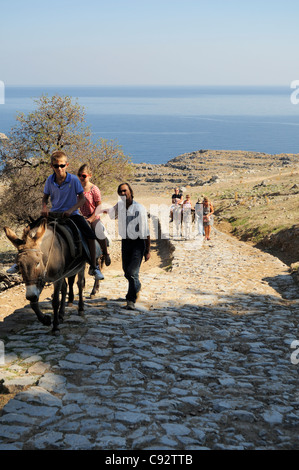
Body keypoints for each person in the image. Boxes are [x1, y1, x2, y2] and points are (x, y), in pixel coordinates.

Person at [6, 150, 105, 281]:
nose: (59, 168)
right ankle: (17, 263)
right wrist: (44, 207)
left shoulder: (74, 180)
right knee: (28, 231)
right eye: (56, 166)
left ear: (67, 165)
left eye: (62, 165)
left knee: (90, 235)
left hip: (71, 215)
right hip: (54, 214)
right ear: (51, 166)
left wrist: (71, 210)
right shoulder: (49, 180)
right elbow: (45, 198)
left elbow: (82, 199)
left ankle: (94, 266)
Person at [103, 182, 150, 310]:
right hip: (126, 242)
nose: (123, 193)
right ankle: (137, 286)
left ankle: (130, 299)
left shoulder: (139, 209)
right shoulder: (120, 206)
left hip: (138, 243)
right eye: (120, 191)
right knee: (126, 272)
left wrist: (148, 250)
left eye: (125, 191)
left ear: (130, 192)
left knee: (132, 272)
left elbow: (146, 231)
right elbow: (112, 215)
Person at [77, 163, 111, 267]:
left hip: (94, 215)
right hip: (82, 216)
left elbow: (99, 206)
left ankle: (105, 253)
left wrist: (91, 218)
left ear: (89, 175)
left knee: (98, 230)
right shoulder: (77, 189)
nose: (81, 178)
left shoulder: (94, 189)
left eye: (83, 176)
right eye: (79, 175)